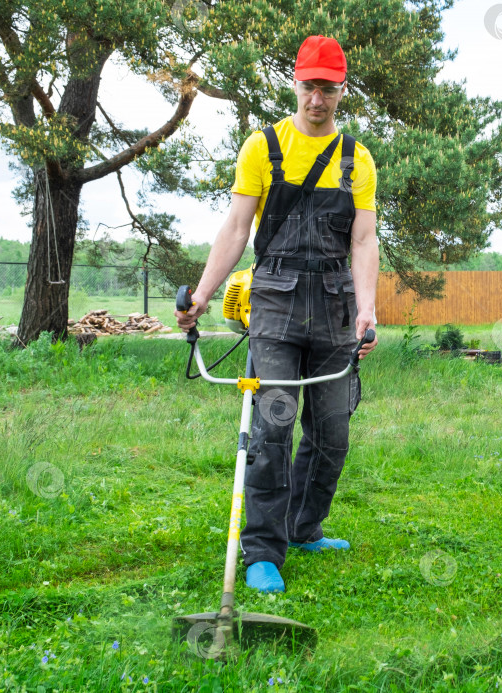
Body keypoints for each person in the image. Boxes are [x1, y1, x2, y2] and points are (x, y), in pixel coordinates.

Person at [175, 35, 379, 594]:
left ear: (341, 90)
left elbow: (364, 241)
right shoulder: (261, 147)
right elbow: (237, 229)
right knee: (273, 425)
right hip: (275, 304)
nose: (318, 98)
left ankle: (304, 527)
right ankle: (263, 550)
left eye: (328, 88)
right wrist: (199, 294)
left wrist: (368, 309)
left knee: (332, 433)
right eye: (310, 86)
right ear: (296, 84)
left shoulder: (356, 158)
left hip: (336, 306)